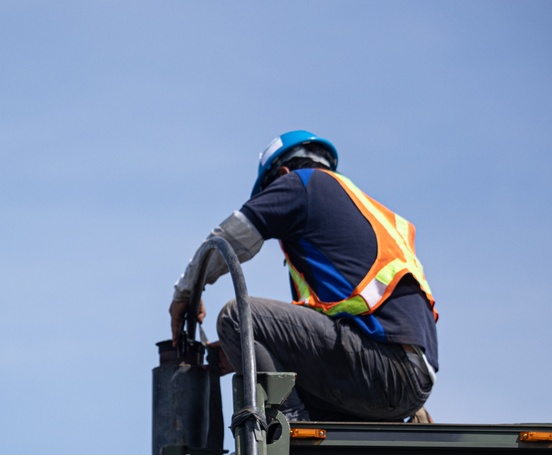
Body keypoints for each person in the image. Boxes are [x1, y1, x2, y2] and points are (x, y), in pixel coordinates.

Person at [169, 131, 438, 422]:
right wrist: (249, 347)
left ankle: (291, 430)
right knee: (253, 336)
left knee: (237, 317)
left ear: (283, 174)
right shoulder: (366, 215)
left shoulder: (303, 183)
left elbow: (235, 233)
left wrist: (186, 290)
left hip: (384, 366)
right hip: (405, 379)